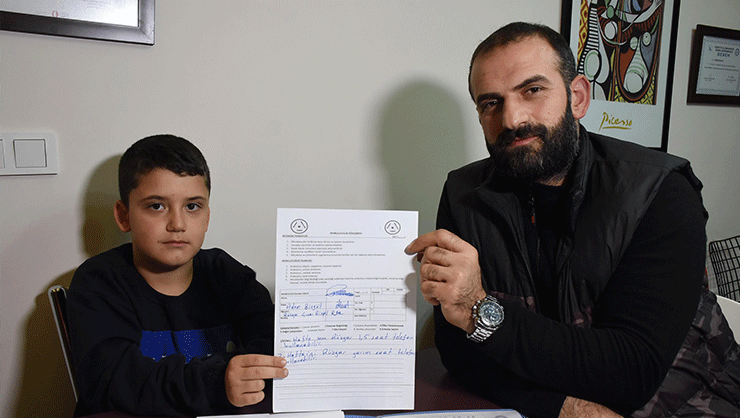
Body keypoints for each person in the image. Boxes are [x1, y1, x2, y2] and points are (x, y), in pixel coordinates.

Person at [405, 22, 740, 418]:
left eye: (533, 90)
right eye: (491, 103)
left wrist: (480, 311)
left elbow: (631, 371)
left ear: (577, 97)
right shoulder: (464, 194)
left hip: (686, 401)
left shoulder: (659, 192)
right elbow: (457, 348)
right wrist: (562, 407)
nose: (512, 119)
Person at [66, 134, 288, 416]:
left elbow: (274, 348)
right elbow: (112, 382)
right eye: (156, 206)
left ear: (206, 217)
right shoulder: (99, 282)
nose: (177, 224)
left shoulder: (228, 275)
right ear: (124, 216)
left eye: (192, 206)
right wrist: (216, 382)